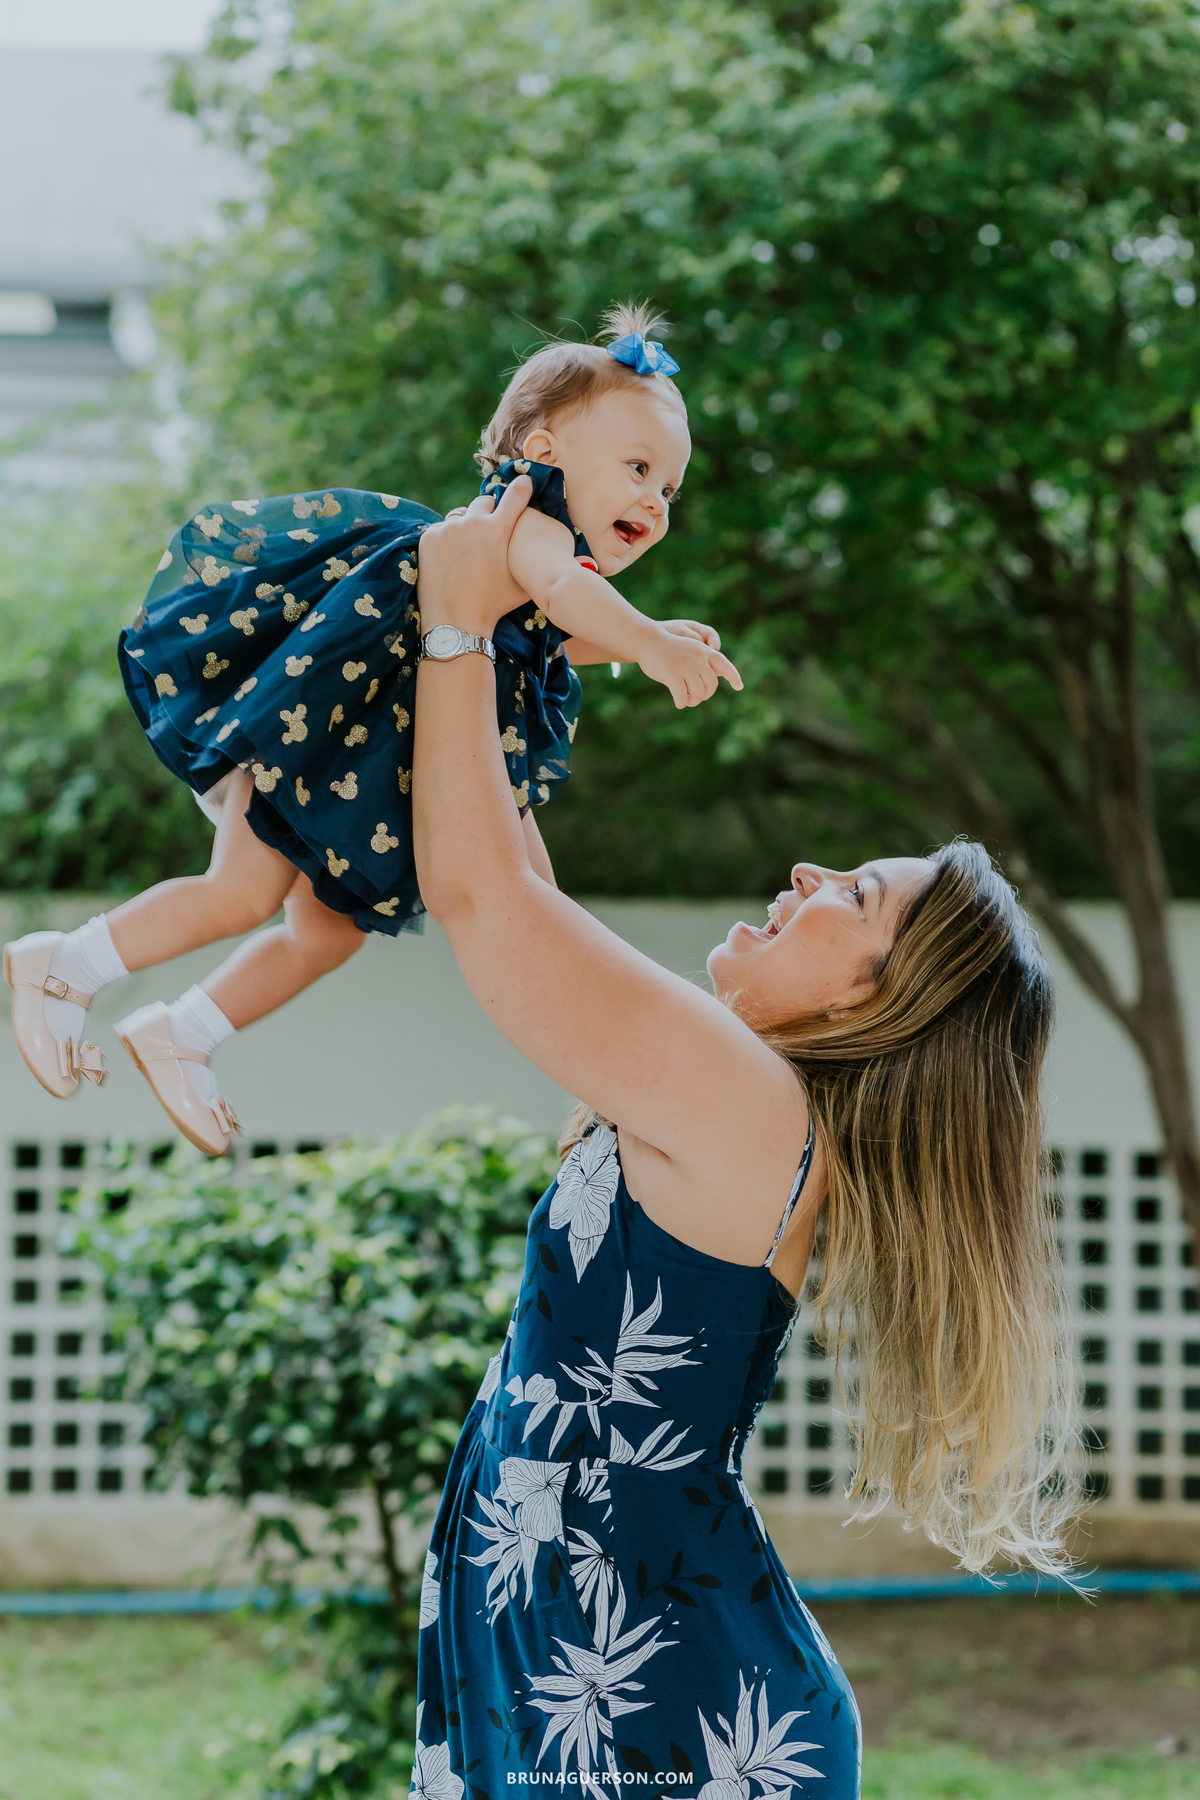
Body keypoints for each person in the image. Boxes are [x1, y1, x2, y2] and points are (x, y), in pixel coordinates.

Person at [406, 477, 1080, 1800]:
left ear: (877, 1001)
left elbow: (481, 900)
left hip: (660, 1698)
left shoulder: (754, 1104)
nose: (808, 876)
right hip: (597, 1652)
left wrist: (452, 620)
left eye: (856, 896)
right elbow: (527, 889)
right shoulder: (749, 1102)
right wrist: (518, 619)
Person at [2, 304, 739, 1155]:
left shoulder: (534, 551)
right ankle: (67, 962)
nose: (654, 498)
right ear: (544, 453)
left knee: (328, 931)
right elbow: (569, 599)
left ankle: (187, 1030)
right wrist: (645, 640)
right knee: (245, 893)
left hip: (366, 754)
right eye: (639, 467)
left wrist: (645, 638)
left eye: (669, 488)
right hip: (328, 739)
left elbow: (540, 635)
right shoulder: (527, 523)